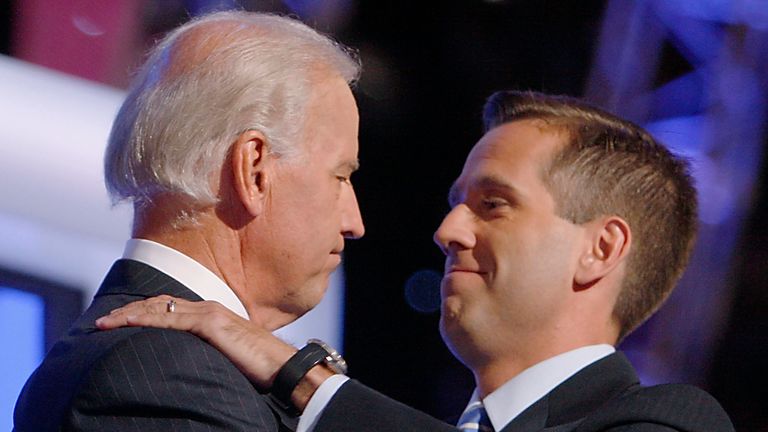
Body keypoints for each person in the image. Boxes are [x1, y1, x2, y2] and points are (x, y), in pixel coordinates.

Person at [96, 91, 734, 431]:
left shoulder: (673, 422)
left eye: (494, 205)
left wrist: (305, 379)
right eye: (458, 203)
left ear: (600, 249)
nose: (449, 229)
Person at [14, 10, 364, 432]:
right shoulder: (166, 373)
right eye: (340, 177)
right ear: (255, 171)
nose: (354, 222)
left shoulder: (167, 363)